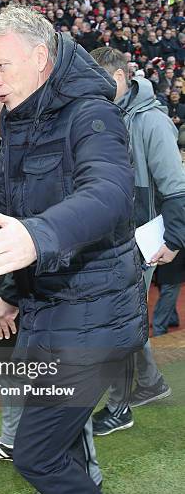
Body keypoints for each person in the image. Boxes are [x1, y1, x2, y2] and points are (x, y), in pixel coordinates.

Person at [0, 5, 159, 494]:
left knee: (37, 452)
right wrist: (6, 286)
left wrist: (37, 237)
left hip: (94, 315)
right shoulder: (23, 120)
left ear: (41, 59)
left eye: (1, 66)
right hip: (48, 311)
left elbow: (109, 196)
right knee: (65, 450)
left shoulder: (90, 113)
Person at [90, 47, 185, 433]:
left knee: (118, 319)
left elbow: (176, 188)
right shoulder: (105, 115)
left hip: (141, 237)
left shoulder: (151, 122)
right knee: (124, 317)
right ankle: (149, 384)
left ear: (117, 79)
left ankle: (120, 405)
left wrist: (175, 239)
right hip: (109, 237)